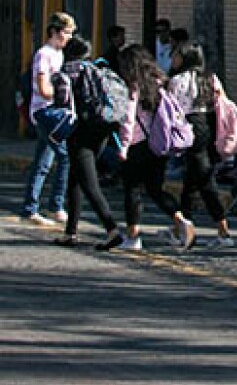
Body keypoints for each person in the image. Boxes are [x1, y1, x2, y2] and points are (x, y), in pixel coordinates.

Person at [115, 44, 196, 251]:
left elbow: (128, 119)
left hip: (137, 144)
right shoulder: (160, 83)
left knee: (132, 190)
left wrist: (123, 147)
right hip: (158, 144)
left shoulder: (134, 86)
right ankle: (180, 220)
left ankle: (133, 236)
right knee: (155, 189)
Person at [54, 36, 124, 250]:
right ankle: (71, 231)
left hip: (80, 131)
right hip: (102, 129)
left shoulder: (67, 71)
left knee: (89, 183)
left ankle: (112, 229)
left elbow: (61, 101)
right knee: (75, 179)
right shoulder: (99, 69)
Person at [167, 42, 235, 248]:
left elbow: (172, 109)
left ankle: (223, 229)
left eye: (177, 54)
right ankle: (183, 227)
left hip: (189, 127)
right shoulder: (210, 78)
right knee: (192, 179)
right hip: (209, 127)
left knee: (205, 180)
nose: (173, 58)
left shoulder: (177, 80)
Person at [20, 12, 75, 228]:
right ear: (54, 32)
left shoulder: (59, 54)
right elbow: (43, 89)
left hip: (52, 112)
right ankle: (56, 205)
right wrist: (60, 93)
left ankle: (30, 207)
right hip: (45, 112)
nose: (69, 37)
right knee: (65, 157)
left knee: (43, 162)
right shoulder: (44, 55)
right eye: (66, 32)